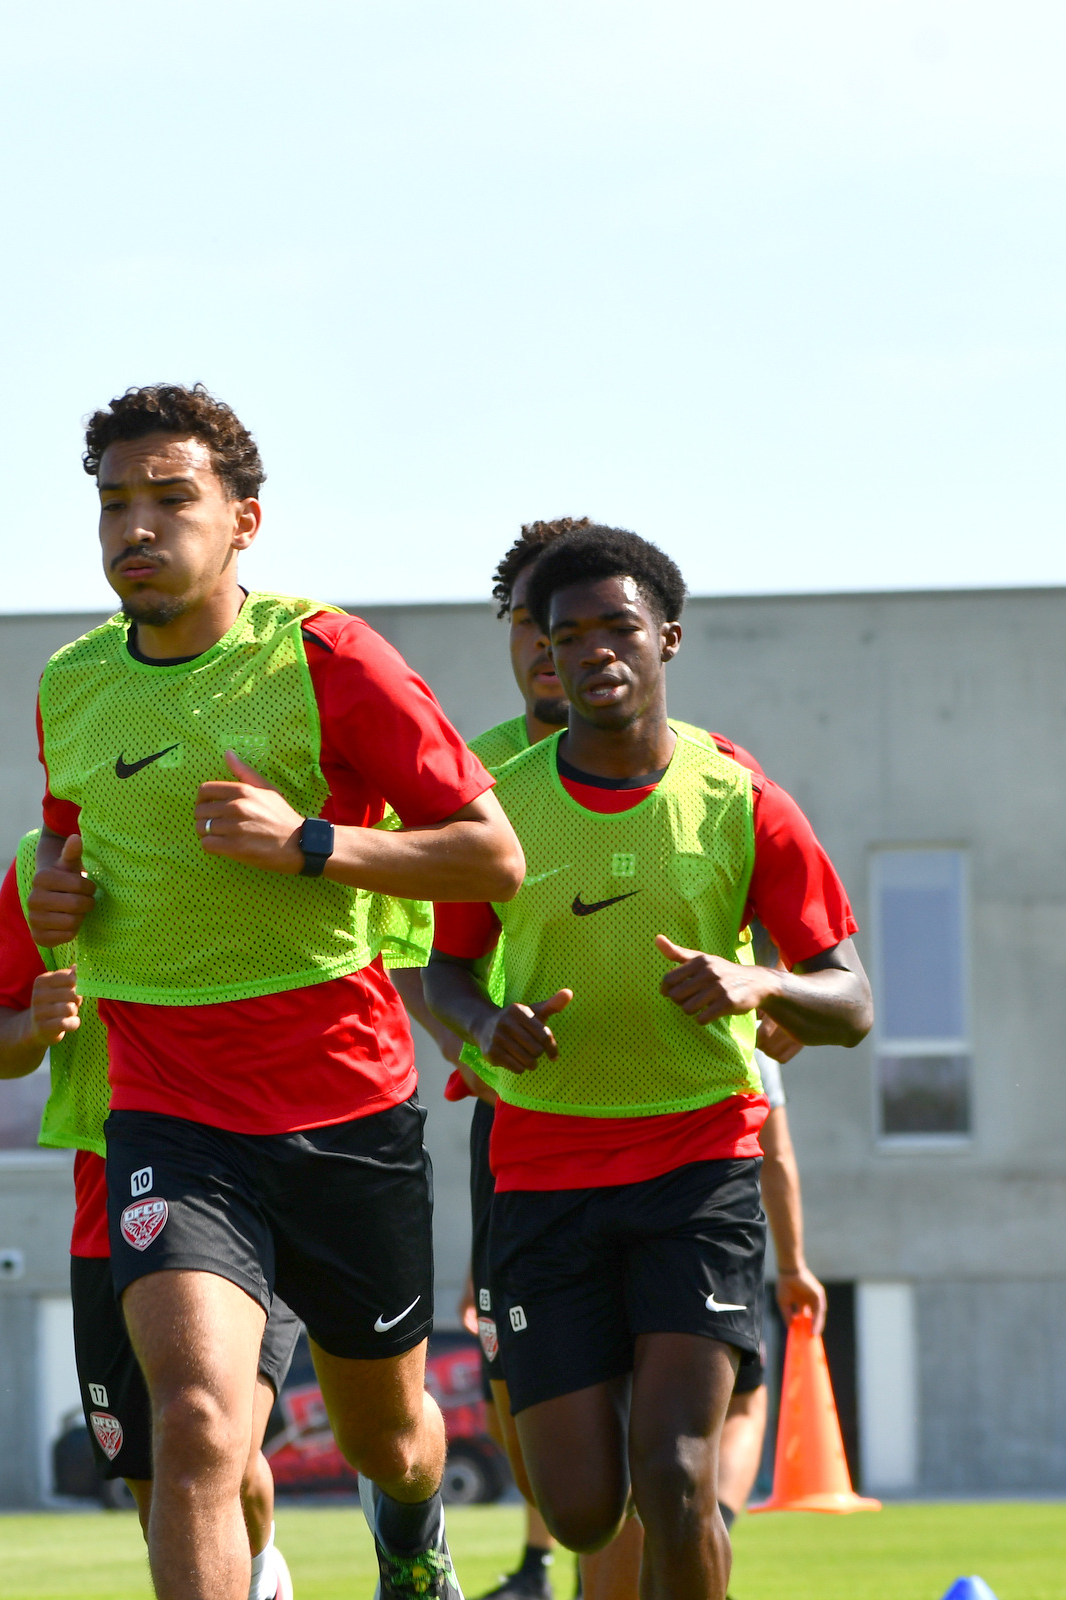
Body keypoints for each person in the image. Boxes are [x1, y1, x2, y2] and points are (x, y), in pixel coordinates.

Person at [25, 383, 525, 1600]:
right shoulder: (71, 684)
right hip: (169, 1110)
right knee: (197, 1423)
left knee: (386, 1437)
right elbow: (68, 843)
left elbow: (491, 855)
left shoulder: (327, 656)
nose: (136, 528)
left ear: (244, 520)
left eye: (169, 498)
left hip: (342, 1107)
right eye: (113, 504)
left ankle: (411, 1532)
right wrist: (57, 894)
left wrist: (308, 842)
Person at [423, 524, 871, 1600]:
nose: (593, 651)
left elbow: (850, 999)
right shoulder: (499, 808)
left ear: (666, 637)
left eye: (617, 626)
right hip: (542, 1174)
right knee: (583, 1507)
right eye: (566, 633)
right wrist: (485, 1025)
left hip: (696, 1169)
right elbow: (445, 972)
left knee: (674, 1474)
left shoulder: (740, 799)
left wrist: (761, 982)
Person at [0, 833, 297, 1600]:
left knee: (215, 1444)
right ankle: (254, 1572)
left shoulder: (248, 833)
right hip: (108, 1202)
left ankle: (264, 1569)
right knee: (160, 1490)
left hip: (240, 1183)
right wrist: (30, 1027)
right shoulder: (43, 862)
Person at [578, 1038, 827, 1600]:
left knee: (632, 1448)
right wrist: (793, 1266)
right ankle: (698, 1544)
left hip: (584, 1225)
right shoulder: (737, 1017)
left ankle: (692, 1542)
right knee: (729, 1415)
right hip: (696, 1227)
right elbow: (776, 1153)